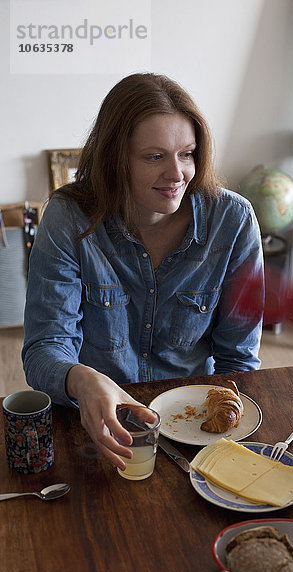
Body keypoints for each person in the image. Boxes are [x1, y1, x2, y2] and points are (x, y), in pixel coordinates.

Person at [22, 73, 264, 470]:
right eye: (154, 157)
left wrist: (223, 431)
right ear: (115, 159)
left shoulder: (233, 220)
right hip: (97, 426)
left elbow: (238, 359)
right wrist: (81, 379)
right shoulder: (68, 217)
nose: (177, 174)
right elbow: (44, 347)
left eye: (187, 153)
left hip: (196, 431)